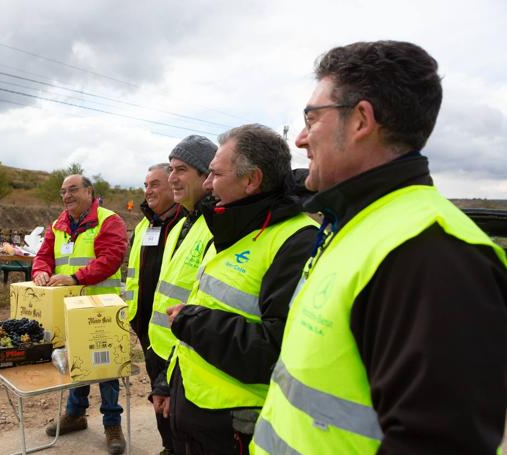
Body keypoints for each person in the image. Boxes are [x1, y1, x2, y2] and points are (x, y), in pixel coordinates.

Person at [252, 41, 507, 454]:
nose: (300, 139)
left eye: (311, 118)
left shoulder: (430, 255)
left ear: (360, 121)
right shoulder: (357, 226)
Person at [164, 124, 317, 454]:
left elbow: (280, 352)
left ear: (252, 180)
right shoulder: (231, 229)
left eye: (216, 175)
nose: (207, 184)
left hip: (235, 427)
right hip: (195, 411)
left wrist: (193, 322)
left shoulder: (295, 241)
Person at [32, 174, 128, 454]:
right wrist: (40, 270)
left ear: (90, 191)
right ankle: (75, 414)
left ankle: (112, 423)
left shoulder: (109, 220)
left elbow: (110, 259)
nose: (67, 196)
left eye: (73, 189)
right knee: (74, 359)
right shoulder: (58, 224)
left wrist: (75, 278)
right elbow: (44, 255)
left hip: (102, 307)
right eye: (63, 191)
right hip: (69, 308)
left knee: (106, 365)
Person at [148, 135, 217, 441]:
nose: (172, 178)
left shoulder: (216, 228)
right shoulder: (181, 225)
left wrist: (168, 376)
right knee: (170, 430)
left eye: (182, 170)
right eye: (172, 169)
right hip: (160, 348)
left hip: (183, 355)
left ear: (207, 176)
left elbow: (202, 303)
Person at [124, 163, 185, 454]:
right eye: (146, 185)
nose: (148, 191)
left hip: (175, 330)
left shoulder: (184, 226)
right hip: (146, 327)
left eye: (155, 184)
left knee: (177, 398)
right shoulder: (143, 226)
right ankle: (167, 446)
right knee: (157, 393)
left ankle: (178, 446)